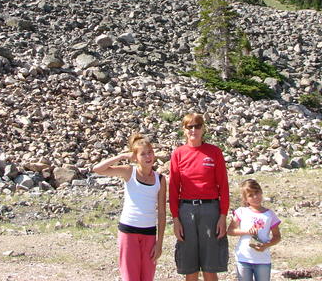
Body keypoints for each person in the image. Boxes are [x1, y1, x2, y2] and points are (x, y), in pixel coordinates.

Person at [93, 133, 167, 281]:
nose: (148, 157)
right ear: (136, 157)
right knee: (130, 277)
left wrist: (159, 243)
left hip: (149, 233)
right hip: (129, 231)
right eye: (143, 154)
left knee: (147, 277)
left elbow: (162, 212)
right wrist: (121, 157)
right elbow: (98, 169)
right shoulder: (129, 172)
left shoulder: (160, 179)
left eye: (150, 152)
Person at [168, 113, 229, 281]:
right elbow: (173, 188)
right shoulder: (178, 154)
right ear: (184, 130)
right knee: (190, 268)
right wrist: (175, 219)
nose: (193, 130)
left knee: (210, 267)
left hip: (211, 210)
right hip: (186, 211)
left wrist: (223, 216)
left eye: (197, 126)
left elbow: (223, 186)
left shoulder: (214, 152)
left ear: (203, 129)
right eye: (189, 127)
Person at [227, 179, 282, 281]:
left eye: (257, 193)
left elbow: (277, 236)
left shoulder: (270, 214)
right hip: (244, 258)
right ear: (245, 199)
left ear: (261, 192)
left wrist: (266, 245)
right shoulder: (241, 212)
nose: (255, 197)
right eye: (250, 195)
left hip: (262, 260)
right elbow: (230, 231)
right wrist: (246, 231)